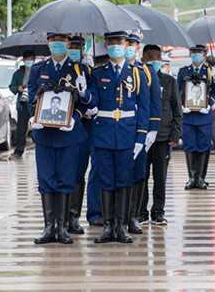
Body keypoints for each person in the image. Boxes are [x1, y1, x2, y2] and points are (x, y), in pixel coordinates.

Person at [84, 31, 149, 244]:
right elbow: (92, 99)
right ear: (106, 46)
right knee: (105, 180)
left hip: (127, 133)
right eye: (111, 43)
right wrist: (84, 93)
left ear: (125, 45)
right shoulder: (98, 71)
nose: (115, 47)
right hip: (103, 132)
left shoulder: (137, 73)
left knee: (123, 180)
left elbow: (144, 108)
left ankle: (121, 226)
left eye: (119, 43)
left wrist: (141, 137)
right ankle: (108, 225)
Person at [27, 32, 89, 245]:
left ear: (68, 43)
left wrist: (75, 116)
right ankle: (48, 227)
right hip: (44, 133)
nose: (57, 45)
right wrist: (34, 117)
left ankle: (62, 227)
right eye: (53, 41)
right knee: (46, 179)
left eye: (61, 41)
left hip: (68, 135)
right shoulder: (38, 69)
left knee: (65, 178)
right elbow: (32, 96)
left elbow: (85, 103)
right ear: (48, 43)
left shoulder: (78, 69)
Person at [138, 44, 182, 226]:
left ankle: (158, 211)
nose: (154, 62)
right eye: (150, 59)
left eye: (157, 59)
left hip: (163, 137)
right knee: (141, 176)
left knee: (160, 178)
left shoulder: (169, 81)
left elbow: (176, 109)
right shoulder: (138, 79)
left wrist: (176, 133)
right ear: (143, 61)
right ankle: (140, 212)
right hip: (142, 136)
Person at [124, 33, 161, 233]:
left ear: (138, 48)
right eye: (126, 44)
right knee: (120, 175)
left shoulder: (145, 71)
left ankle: (134, 215)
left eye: (132, 45)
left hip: (140, 130)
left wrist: (152, 130)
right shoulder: (117, 70)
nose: (129, 47)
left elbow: (155, 103)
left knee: (139, 174)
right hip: (121, 129)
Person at [178, 45, 215, 190]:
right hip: (188, 115)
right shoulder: (183, 71)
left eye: (199, 53)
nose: (196, 55)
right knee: (189, 146)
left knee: (204, 145)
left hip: (204, 115)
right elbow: (178, 91)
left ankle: (201, 178)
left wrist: (210, 105)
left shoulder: (209, 71)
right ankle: (191, 178)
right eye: (194, 53)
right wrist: (181, 105)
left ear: (205, 54)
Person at [65, 35, 94, 235]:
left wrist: (86, 97)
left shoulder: (87, 71)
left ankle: (74, 216)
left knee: (78, 175)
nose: (75, 49)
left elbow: (93, 100)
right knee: (64, 173)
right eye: (72, 46)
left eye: (78, 47)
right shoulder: (59, 69)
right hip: (62, 129)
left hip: (83, 129)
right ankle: (61, 216)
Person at [9, 51, 35, 158]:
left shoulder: (37, 71)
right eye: (27, 59)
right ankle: (18, 151)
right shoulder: (18, 73)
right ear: (24, 60)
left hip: (34, 103)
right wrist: (18, 88)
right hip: (23, 103)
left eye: (31, 59)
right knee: (21, 129)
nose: (29, 61)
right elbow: (12, 86)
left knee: (38, 128)